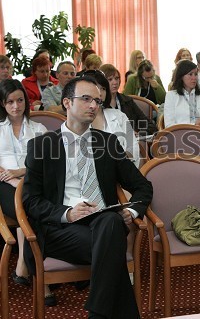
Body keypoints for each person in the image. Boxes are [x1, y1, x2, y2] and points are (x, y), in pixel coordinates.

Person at [22, 75, 152, 318]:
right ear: (67, 103)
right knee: (112, 239)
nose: (93, 105)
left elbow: (142, 186)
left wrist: (132, 211)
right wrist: (67, 213)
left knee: (111, 221)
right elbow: (30, 201)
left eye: (97, 101)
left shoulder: (108, 142)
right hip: (60, 230)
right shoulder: (42, 145)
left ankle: (97, 313)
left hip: (102, 224)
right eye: (86, 99)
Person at [0, 79, 54, 304]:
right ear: (3, 104)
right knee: (32, 210)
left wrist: (19, 173)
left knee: (31, 207)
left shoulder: (38, 128)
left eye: (20, 100)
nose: (16, 106)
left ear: (26, 101)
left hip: (31, 182)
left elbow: (44, 164)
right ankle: (43, 278)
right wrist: (8, 176)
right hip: (3, 184)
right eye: (10, 102)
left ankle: (25, 264)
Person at [82, 70, 140, 167]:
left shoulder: (119, 115)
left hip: (122, 170)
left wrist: (118, 162)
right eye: (96, 88)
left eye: (103, 88)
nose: (100, 93)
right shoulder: (80, 118)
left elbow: (133, 148)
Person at [100, 64, 157, 136]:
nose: (115, 82)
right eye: (110, 79)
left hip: (131, 143)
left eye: (117, 78)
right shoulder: (98, 104)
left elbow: (150, 125)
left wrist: (139, 133)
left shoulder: (127, 101)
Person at [163, 60, 200, 131]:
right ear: (181, 76)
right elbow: (169, 126)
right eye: (190, 74)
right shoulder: (171, 96)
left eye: (196, 74)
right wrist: (194, 126)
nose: (194, 78)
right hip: (180, 137)